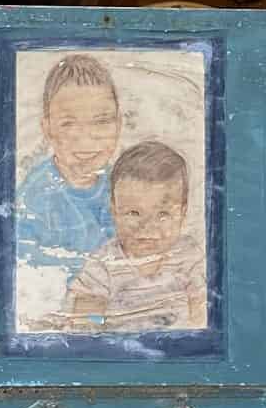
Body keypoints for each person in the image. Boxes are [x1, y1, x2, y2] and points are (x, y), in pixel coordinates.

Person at [63, 141, 207, 330]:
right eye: (133, 213)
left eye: (163, 215)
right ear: (114, 211)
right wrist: (97, 325)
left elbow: (203, 310)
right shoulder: (103, 264)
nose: (147, 227)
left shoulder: (189, 256)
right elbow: (85, 315)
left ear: (182, 213)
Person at [17, 56, 123, 271]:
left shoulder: (123, 183)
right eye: (68, 124)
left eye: (102, 121)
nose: (86, 138)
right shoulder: (35, 197)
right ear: (47, 129)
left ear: (119, 124)